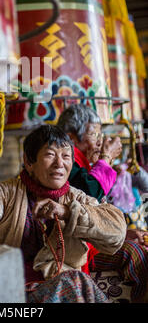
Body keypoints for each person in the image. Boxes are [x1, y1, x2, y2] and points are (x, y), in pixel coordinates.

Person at [0, 125, 126, 303]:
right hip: (13, 288)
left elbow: (116, 232)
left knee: (75, 282)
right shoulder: (4, 194)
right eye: (50, 155)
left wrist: (67, 212)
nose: (59, 164)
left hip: (63, 288)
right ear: (29, 162)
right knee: (74, 282)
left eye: (66, 156)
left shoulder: (76, 198)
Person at [58, 104, 148, 302]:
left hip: (93, 239)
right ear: (72, 138)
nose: (99, 142)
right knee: (136, 254)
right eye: (94, 135)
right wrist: (106, 158)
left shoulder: (84, 161)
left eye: (100, 135)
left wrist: (125, 234)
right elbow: (91, 192)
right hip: (75, 248)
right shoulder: (64, 161)